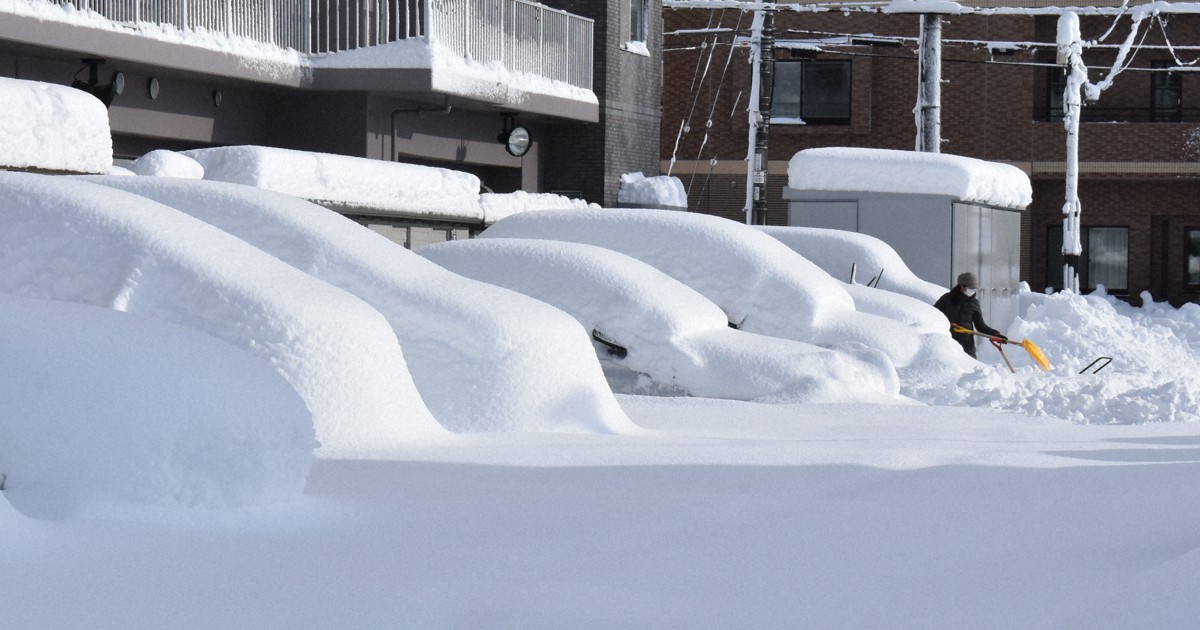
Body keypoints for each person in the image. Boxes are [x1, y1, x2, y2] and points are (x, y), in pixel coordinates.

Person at [934, 271, 1006, 358]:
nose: (972, 290)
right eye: (970, 288)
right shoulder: (947, 298)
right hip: (948, 344)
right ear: (961, 286)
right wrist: (948, 325)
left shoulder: (974, 303)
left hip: (967, 347)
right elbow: (934, 315)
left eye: (974, 288)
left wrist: (995, 334)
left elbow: (980, 326)